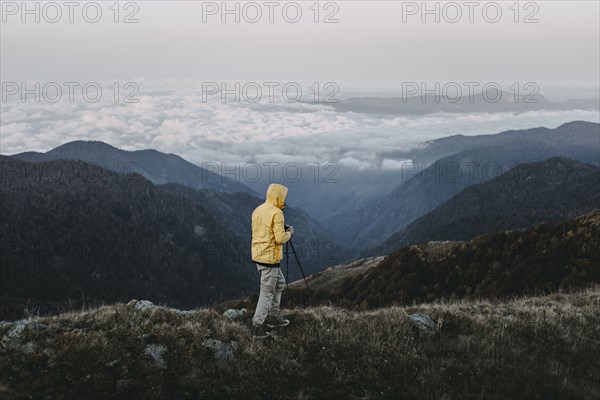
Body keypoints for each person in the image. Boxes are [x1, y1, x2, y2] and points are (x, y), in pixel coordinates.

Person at [250, 183, 295, 339]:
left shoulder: (258, 210)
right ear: (278, 196)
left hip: (259, 255)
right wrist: (289, 233)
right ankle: (257, 325)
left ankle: (273, 316)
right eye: (283, 196)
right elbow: (280, 239)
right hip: (270, 258)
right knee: (267, 292)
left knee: (279, 283)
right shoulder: (277, 213)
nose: (284, 200)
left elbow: (264, 232)